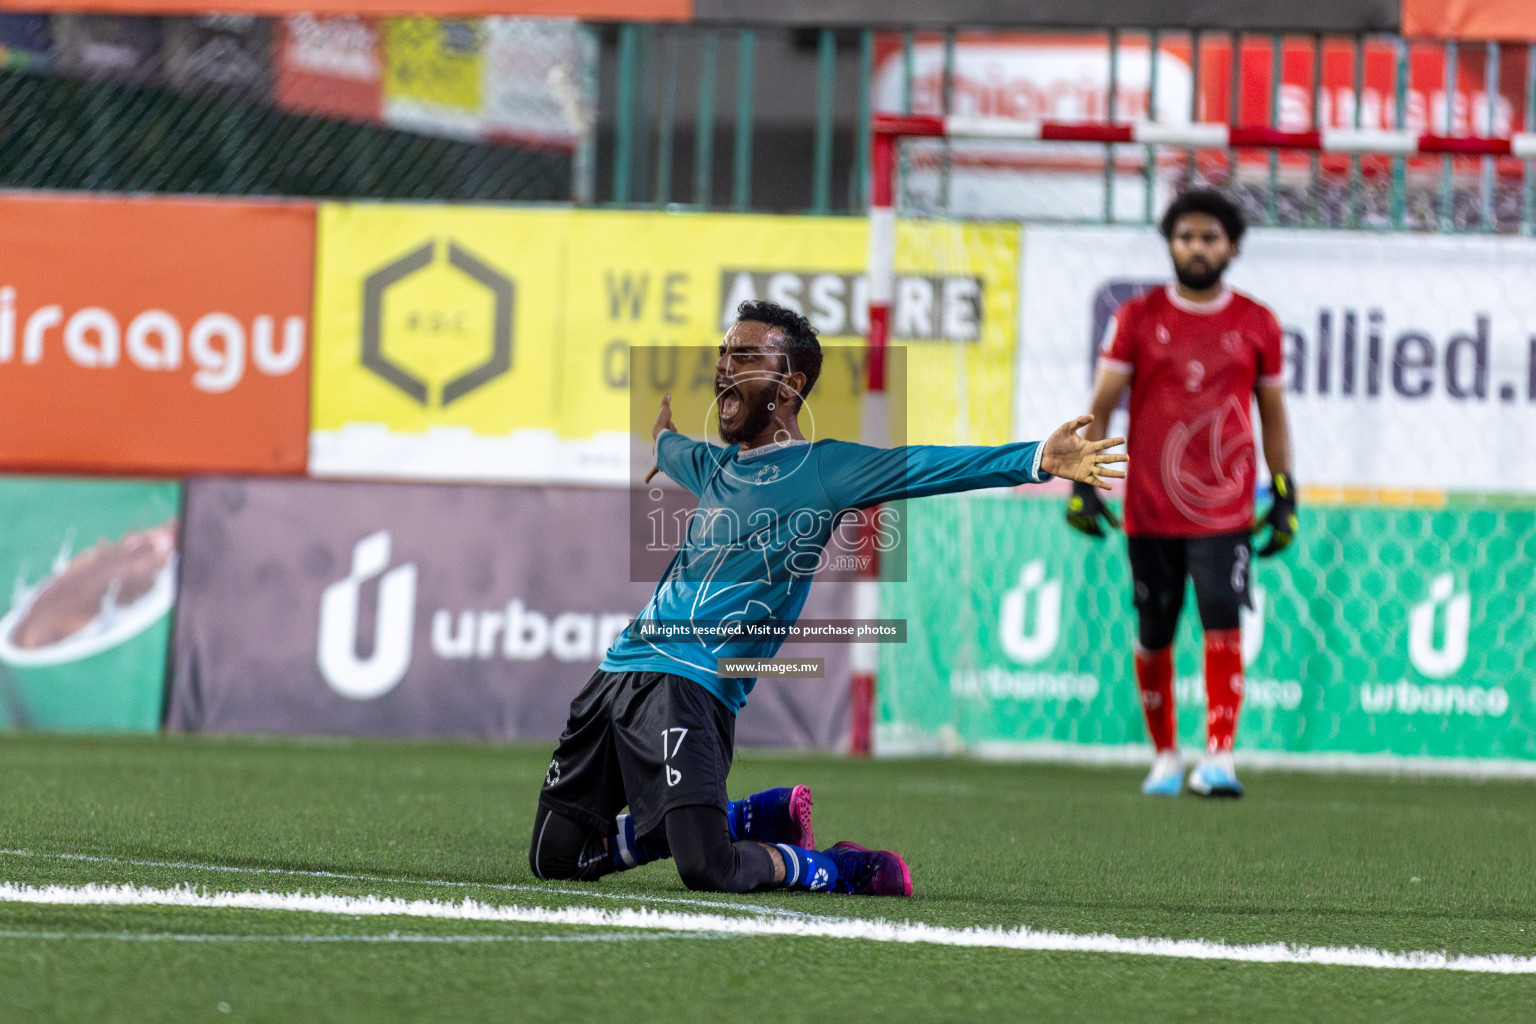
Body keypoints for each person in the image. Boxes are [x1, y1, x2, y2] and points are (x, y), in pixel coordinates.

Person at [530, 299, 1126, 896]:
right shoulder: (715, 466)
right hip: (618, 673)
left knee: (709, 870)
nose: (723, 368)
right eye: (722, 355)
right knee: (552, 859)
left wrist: (1036, 460)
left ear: (790, 385)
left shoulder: (824, 469)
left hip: (691, 684)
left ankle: (843, 867)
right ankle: (746, 816)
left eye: (743, 356)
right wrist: (661, 439)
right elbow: (672, 448)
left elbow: (921, 466)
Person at [1067, 188, 1296, 799]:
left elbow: (1273, 413)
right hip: (1148, 506)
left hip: (1226, 508)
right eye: (1186, 236)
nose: (1197, 247)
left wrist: (1284, 488)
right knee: (1155, 627)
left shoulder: (1257, 321)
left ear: (1233, 247)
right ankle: (1166, 756)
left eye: (1210, 237)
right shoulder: (1138, 318)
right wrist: (1083, 481)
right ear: (1171, 243)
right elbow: (1102, 404)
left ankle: (1219, 757)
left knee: (1223, 612)